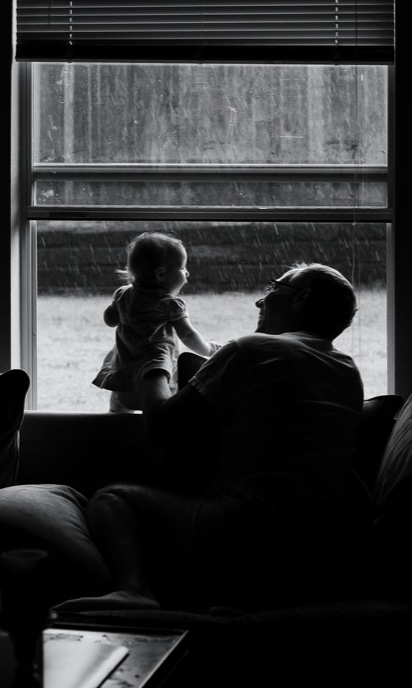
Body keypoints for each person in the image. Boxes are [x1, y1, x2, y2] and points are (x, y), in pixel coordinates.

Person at [60, 262, 368, 614]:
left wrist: (154, 358)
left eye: (273, 288)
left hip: (246, 534)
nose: (260, 302)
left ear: (302, 299)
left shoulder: (251, 350)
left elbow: (161, 427)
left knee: (111, 498)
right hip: (317, 550)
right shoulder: (347, 369)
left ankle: (134, 592)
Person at [92, 231, 217, 413]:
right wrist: (209, 349)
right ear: (160, 274)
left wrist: (119, 307)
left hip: (125, 371)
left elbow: (109, 320)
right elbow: (188, 335)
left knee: (117, 415)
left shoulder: (123, 294)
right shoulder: (171, 304)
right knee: (158, 417)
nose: (187, 272)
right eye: (182, 268)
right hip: (154, 371)